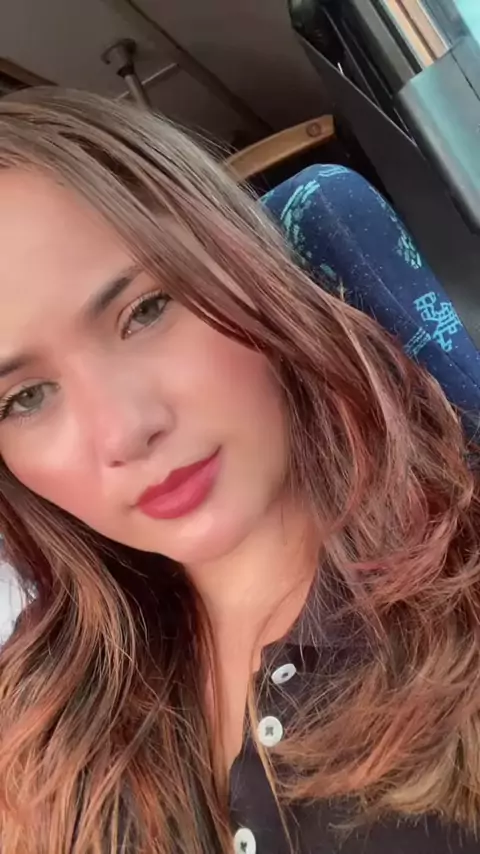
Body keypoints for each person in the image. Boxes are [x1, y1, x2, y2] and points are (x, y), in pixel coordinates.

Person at [0, 88, 478, 854]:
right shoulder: (38, 714)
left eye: (146, 311)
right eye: (25, 398)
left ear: (246, 269)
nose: (125, 430)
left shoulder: (462, 598)